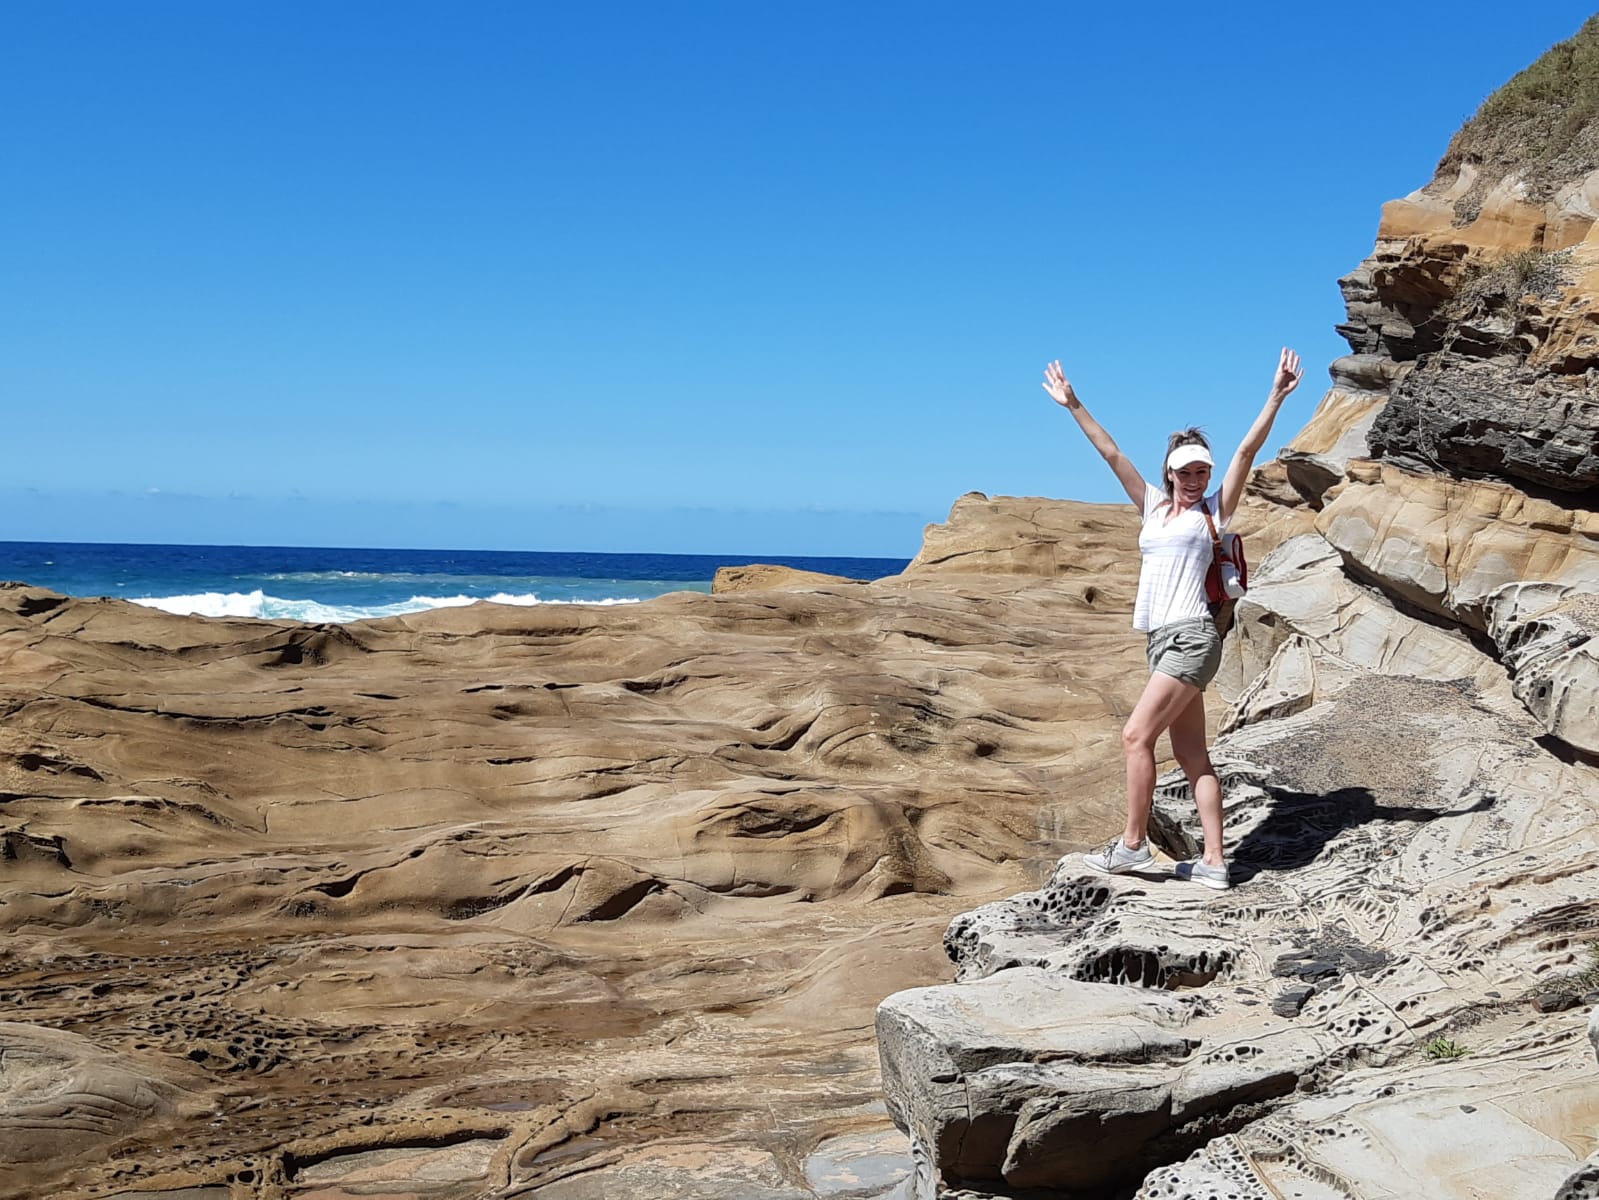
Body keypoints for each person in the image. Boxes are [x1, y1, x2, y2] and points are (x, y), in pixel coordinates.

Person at [1041, 349, 1303, 889]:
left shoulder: (1214, 511)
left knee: (1135, 737)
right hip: (1163, 640)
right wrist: (1073, 403)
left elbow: (1248, 450)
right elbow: (1111, 452)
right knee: (1191, 754)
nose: (1195, 478)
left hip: (1193, 636)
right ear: (1170, 471)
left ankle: (1132, 846)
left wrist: (1276, 396)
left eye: (1202, 470)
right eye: (1186, 471)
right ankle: (1214, 862)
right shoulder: (1154, 507)